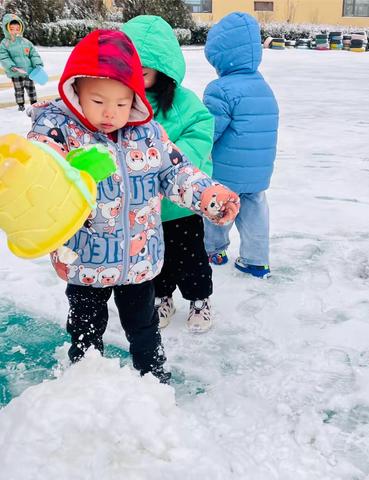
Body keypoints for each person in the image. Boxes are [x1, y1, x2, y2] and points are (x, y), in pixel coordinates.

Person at [27, 30, 239, 382]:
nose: (111, 113)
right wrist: (46, 163)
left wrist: (209, 195)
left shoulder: (147, 133)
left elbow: (177, 171)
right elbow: (37, 165)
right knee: (85, 330)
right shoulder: (58, 131)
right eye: (98, 101)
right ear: (75, 91)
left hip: (138, 263)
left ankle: (153, 380)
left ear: (136, 99)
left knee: (144, 329)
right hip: (85, 260)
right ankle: (83, 381)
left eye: (122, 103)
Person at [121, 15, 215, 333]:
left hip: (179, 204)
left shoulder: (183, 103)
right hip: (142, 209)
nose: (135, 75)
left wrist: (162, 161)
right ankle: (162, 298)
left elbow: (200, 134)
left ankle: (199, 300)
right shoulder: (120, 101)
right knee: (154, 261)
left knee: (190, 260)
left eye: (144, 69)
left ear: (164, 66)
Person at [203, 12, 279, 279]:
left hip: (226, 171)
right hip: (258, 171)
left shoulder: (220, 89)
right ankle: (256, 260)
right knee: (255, 212)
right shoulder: (264, 87)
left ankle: (214, 250)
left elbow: (210, 131)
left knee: (217, 209)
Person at [0, 13, 43, 111]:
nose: (15, 31)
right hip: (15, 72)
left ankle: (34, 103)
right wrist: (12, 66)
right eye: (12, 29)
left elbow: (33, 53)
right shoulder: (4, 43)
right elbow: (4, 57)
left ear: (21, 28)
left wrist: (37, 63)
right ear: (6, 29)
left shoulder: (25, 41)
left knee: (31, 88)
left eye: (17, 28)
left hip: (28, 70)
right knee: (19, 90)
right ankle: (21, 105)